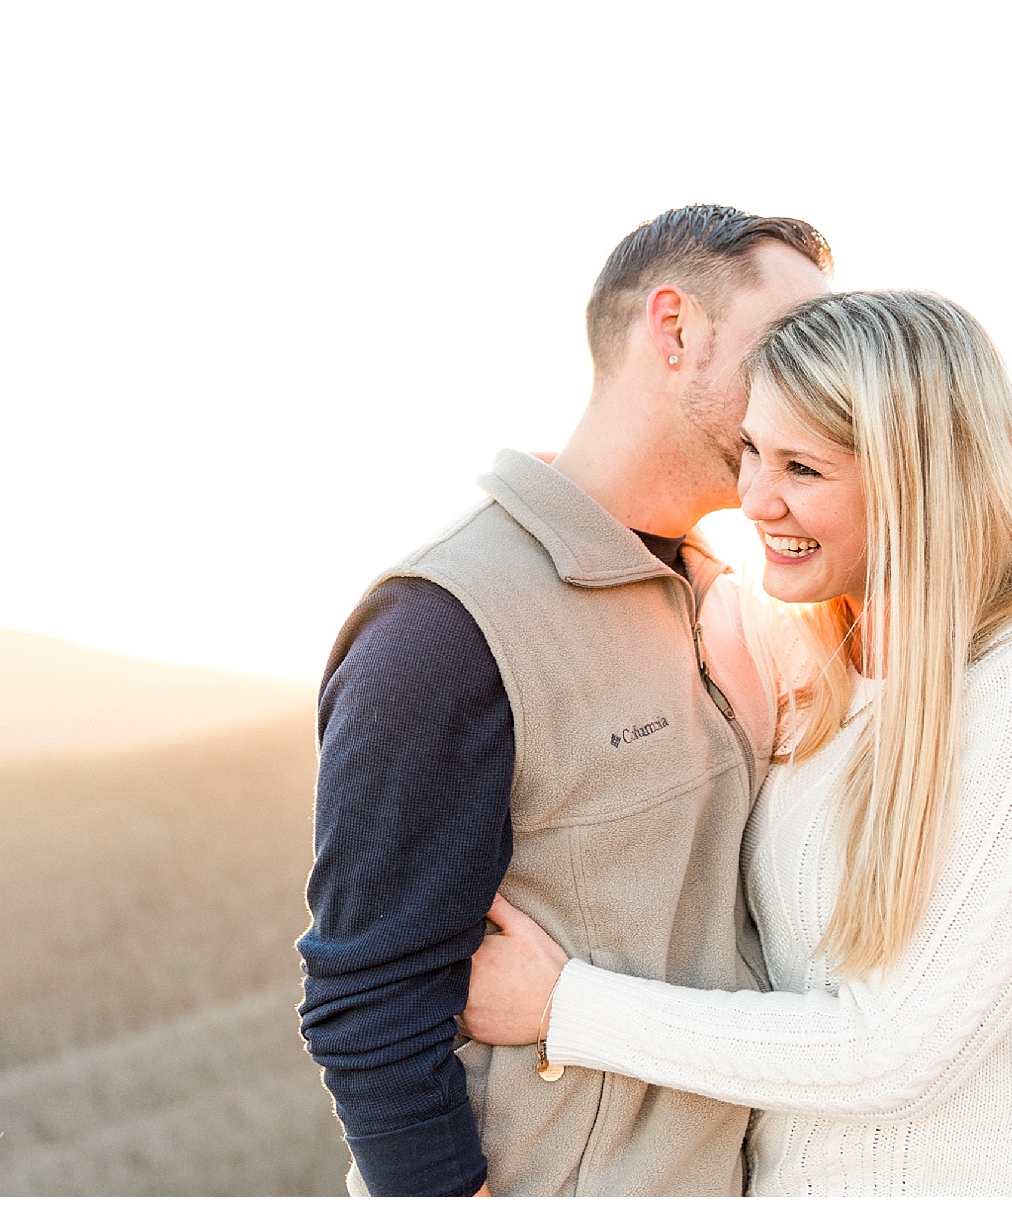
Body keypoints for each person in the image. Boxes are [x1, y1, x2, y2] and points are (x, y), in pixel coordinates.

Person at [460, 290, 1012, 1196]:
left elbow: (895, 1050)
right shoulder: (819, 657)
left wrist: (565, 1006)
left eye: (803, 467)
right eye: (752, 451)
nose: (758, 498)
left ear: (920, 480)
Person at [295, 205, 833, 1196]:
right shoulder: (446, 628)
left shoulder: (730, 599)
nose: (819, 382)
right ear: (673, 330)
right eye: (789, 345)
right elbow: (368, 1004)